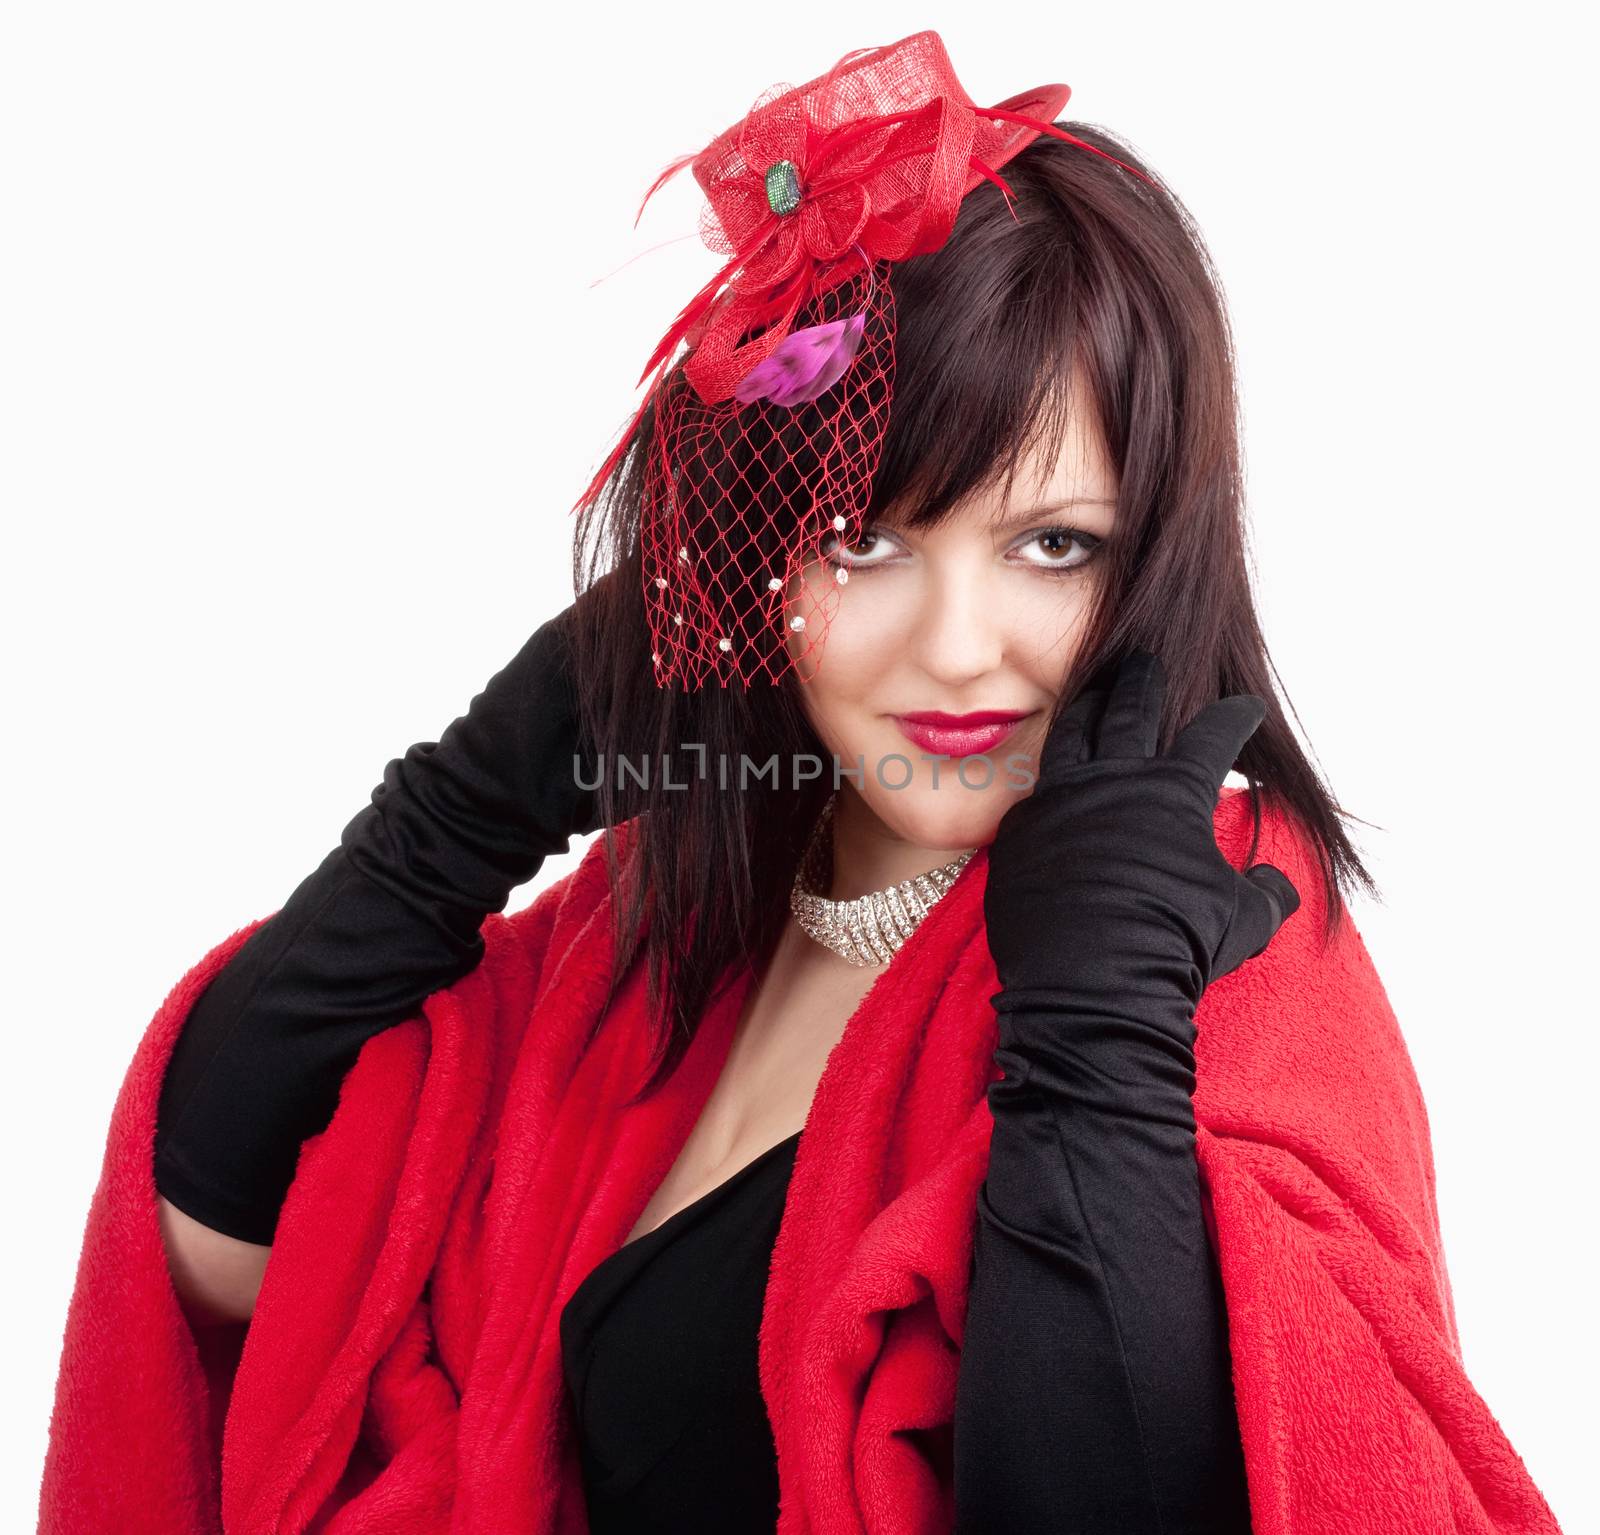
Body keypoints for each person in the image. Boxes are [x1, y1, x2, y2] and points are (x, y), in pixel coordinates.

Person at [40, 32, 1562, 1535]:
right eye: (864, 542)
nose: (959, 652)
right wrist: (465, 808)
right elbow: (220, 1256)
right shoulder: (664, 917)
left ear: (1154, 557)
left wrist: (1095, 1054)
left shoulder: (1216, 932)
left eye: (1053, 546)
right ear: (752, 549)